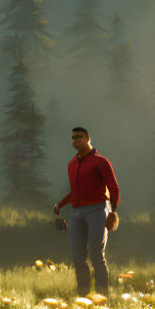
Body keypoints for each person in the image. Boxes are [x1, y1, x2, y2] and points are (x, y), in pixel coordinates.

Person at [54, 126, 120, 296]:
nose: (75, 140)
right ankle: (83, 296)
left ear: (88, 138)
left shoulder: (101, 162)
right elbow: (76, 190)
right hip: (76, 212)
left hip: (97, 209)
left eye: (79, 137)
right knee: (77, 257)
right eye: (73, 137)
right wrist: (61, 205)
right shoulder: (72, 164)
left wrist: (113, 212)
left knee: (97, 254)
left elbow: (113, 188)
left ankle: (102, 296)